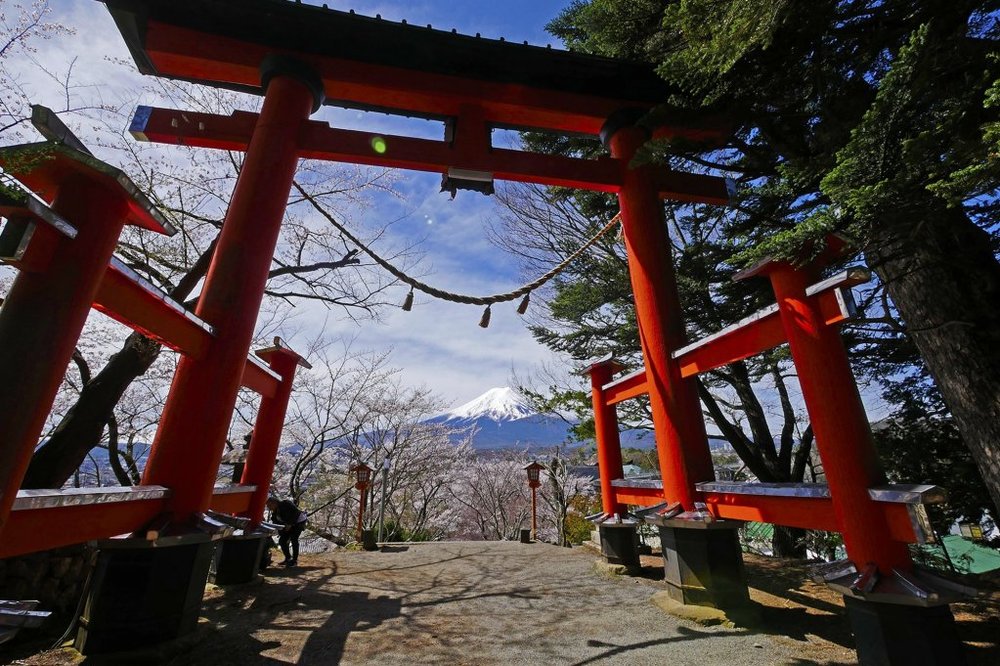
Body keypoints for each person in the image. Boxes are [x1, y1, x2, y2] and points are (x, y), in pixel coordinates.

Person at [266, 496, 308, 566]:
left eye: (270, 505)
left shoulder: (286, 503)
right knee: (282, 541)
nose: (269, 508)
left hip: (298, 522)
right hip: (287, 525)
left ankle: (294, 561)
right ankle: (288, 558)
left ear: (275, 503)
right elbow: (276, 523)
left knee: (294, 539)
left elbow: (295, 513)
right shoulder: (275, 512)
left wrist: (290, 524)